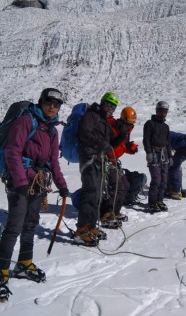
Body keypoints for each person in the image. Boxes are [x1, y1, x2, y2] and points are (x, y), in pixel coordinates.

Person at [0, 88, 69, 302]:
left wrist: (62, 185)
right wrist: (20, 182)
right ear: (41, 102)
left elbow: (53, 161)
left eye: (56, 104)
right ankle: (1, 272)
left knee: (30, 224)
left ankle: (24, 262)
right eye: (48, 102)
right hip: (20, 181)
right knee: (14, 226)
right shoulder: (25, 121)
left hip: (38, 182)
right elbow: (12, 151)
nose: (52, 107)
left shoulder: (52, 130)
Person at [73, 92, 126, 245]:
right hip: (89, 159)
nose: (110, 108)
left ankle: (90, 226)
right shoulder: (90, 116)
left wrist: (122, 134)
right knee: (90, 193)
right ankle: (82, 230)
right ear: (102, 102)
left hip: (99, 160)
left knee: (97, 194)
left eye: (113, 106)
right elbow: (83, 134)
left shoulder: (104, 122)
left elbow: (111, 143)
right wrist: (100, 143)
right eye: (108, 104)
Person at [101, 107, 138, 227]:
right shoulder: (113, 126)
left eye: (131, 124)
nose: (129, 126)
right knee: (115, 186)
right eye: (128, 123)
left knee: (124, 185)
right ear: (123, 119)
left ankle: (114, 212)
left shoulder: (126, 130)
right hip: (105, 161)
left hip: (114, 161)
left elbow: (120, 146)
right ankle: (106, 215)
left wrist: (129, 148)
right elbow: (111, 144)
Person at [143, 101, 172, 213]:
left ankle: (159, 200)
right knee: (156, 179)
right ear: (156, 110)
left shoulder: (166, 127)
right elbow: (146, 140)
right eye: (161, 111)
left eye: (165, 111)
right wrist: (148, 153)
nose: (163, 113)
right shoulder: (149, 124)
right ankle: (152, 202)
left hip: (164, 154)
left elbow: (168, 142)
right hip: (154, 153)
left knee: (164, 180)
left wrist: (170, 156)